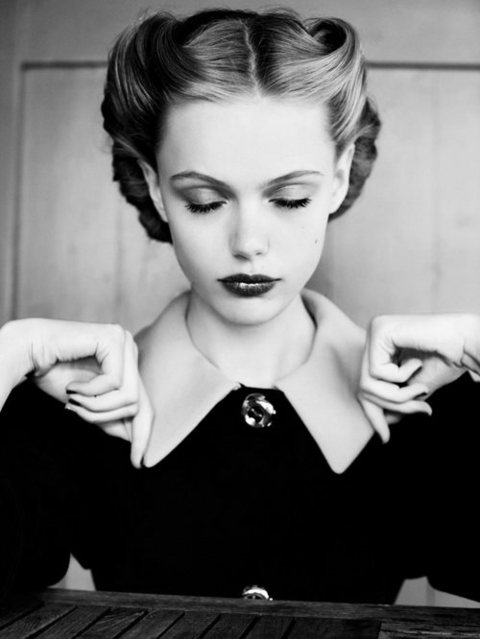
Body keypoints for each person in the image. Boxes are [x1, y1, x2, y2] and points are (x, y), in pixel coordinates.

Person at [1, 7, 479, 604]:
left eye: (290, 198)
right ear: (155, 187)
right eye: (205, 201)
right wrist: (6, 354)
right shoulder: (71, 406)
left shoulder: (425, 408)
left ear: (337, 179)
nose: (249, 242)